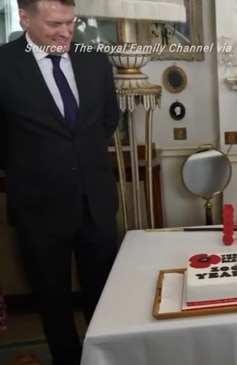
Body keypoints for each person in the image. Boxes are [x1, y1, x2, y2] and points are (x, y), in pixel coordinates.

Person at [0, 1, 120, 364]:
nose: (66, 33)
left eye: (71, 22)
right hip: (38, 208)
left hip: (95, 203)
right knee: (52, 303)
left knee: (105, 297)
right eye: (54, 24)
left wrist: (79, 157)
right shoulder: (4, 63)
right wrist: (37, 163)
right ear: (25, 17)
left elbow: (108, 119)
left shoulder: (94, 59)